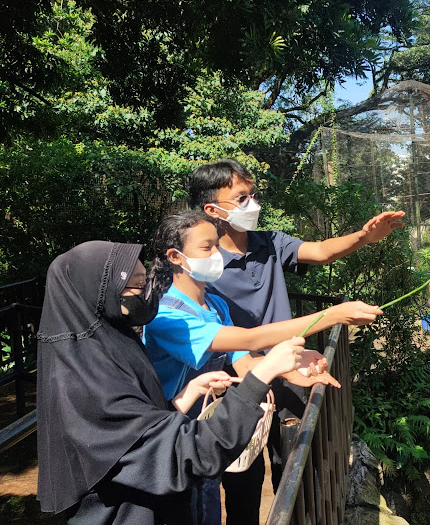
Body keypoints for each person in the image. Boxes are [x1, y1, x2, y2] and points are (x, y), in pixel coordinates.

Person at [188, 158, 404, 523]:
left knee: (296, 465)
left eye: (253, 195)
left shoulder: (269, 242)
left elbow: (320, 251)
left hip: (292, 373)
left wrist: (364, 237)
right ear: (213, 208)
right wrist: (330, 316)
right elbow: (235, 338)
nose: (252, 204)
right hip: (239, 382)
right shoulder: (202, 263)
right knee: (244, 480)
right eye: (241, 198)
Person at [36, 240, 306, 524]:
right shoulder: (84, 380)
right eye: (136, 285)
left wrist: (182, 398)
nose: (147, 292)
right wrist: (260, 377)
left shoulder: (112, 346)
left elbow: (135, 434)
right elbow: (186, 456)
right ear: (97, 292)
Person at [142, 210, 381, 524]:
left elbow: (242, 359)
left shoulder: (215, 305)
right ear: (175, 256)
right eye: (206, 248)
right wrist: (331, 316)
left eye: (217, 246)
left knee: (207, 505)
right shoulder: (166, 316)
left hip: (203, 429)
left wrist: (296, 369)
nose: (217, 255)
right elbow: (250, 337)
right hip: (169, 432)